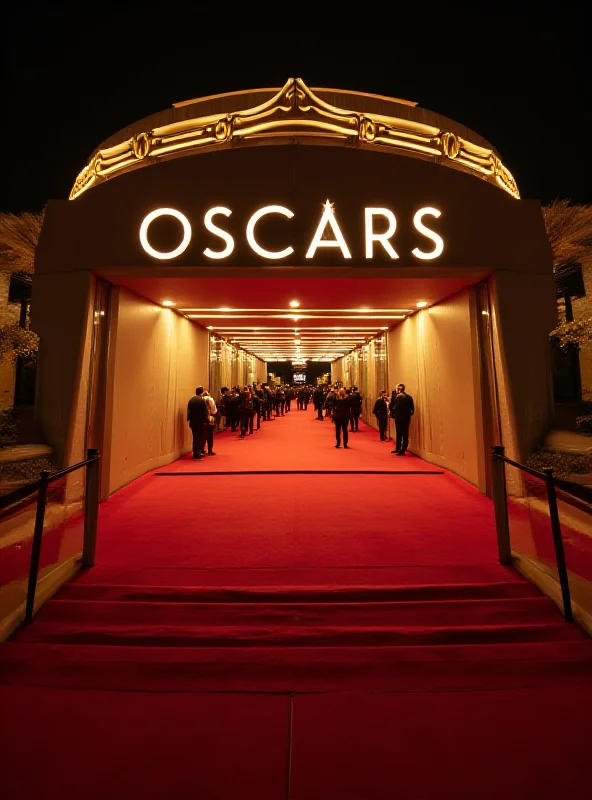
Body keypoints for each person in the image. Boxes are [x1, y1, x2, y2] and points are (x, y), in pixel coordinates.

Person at [390, 383, 415, 455]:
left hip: (398, 418)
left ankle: (399, 449)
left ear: (399, 389)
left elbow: (394, 407)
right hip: (406, 418)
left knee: (399, 433)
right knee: (405, 433)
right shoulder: (409, 397)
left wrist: (393, 413)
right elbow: (412, 409)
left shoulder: (398, 397)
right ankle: (403, 448)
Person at [187, 386, 208, 459]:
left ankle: (195, 452)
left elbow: (189, 411)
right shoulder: (202, 401)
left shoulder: (191, 400)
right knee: (199, 438)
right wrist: (206, 421)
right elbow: (205, 412)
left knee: (195, 437)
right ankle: (197, 453)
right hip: (200, 422)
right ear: (202, 392)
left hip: (193, 422)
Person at [202, 390, 218, 456]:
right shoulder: (210, 399)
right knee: (210, 435)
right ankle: (210, 450)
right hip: (209, 418)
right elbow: (214, 410)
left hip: (202, 419)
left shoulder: (201, 399)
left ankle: (202, 449)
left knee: (203, 435)